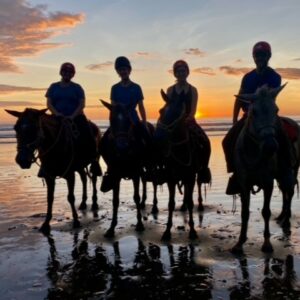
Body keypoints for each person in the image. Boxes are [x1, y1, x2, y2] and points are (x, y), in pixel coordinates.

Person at [222, 41, 291, 194]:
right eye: (257, 55)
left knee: (284, 138)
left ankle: (286, 171)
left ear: (269, 56)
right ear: (253, 57)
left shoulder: (275, 77)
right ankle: (236, 173)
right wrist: (234, 121)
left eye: (263, 55)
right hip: (249, 116)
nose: (260, 58)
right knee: (227, 141)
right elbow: (239, 99)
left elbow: (267, 97)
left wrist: (255, 99)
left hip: (267, 116)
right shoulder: (247, 77)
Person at [42, 62, 101, 177]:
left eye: (70, 72)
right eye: (65, 71)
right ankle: (44, 165)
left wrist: (72, 116)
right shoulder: (53, 87)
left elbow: (81, 104)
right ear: (61, 72)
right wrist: (57, 113)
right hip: (57, 117)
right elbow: (49, 103)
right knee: (44, 136)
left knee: (88, 132)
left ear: (73, 74)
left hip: (76, 117)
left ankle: (94, 161)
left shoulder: (77, 88)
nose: (67, 74)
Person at [166, 60, 211, 182]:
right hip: (173, 122)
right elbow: (168, 108)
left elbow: (193, 110)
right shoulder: (170, 90)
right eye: (179, 71)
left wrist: (187, 118)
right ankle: (161, 168)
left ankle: (204, 169)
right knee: (159, 139)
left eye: (183, 71)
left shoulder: (193, 90)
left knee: (205, 141)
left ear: (187, 72)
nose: (181, 73)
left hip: (188, 121)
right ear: (175, 74)